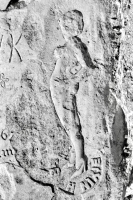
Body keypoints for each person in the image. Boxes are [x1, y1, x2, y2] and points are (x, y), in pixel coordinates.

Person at [50, 10, 91, 179]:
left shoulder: (74, 44)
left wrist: (71, 81)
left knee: (70, 123)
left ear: (75, 27)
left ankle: (80, 161)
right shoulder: (70, 44)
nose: (63, 27)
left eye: (66, 24)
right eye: (63, 24)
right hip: (59, 87)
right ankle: (75, 156)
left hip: (63, 88)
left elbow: (87, 68)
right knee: (67, 123)